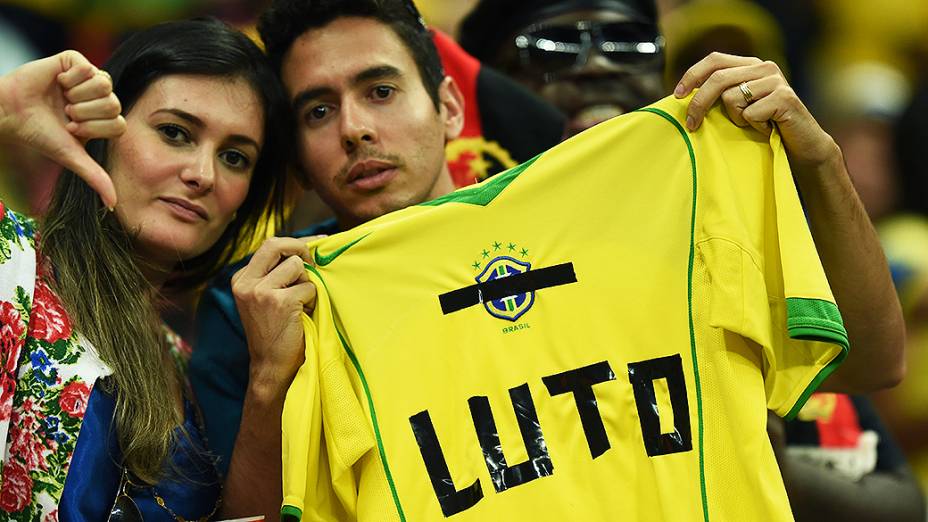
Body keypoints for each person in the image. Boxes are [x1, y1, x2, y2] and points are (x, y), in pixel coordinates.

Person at [191, 0, 905, 516]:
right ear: (298, 160)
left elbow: (873, 366)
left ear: (447, 106)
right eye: (317, 112)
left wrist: (821, 162)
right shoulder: (282, 308)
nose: (355, 129)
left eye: (380, 91)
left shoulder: (642, 217)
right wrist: (269, 381)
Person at [0, 17, 291, 519]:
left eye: (235, 157)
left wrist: (269, 381)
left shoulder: (190, 365)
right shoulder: (11, 260)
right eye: (175, 132)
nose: (202, 174)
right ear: (101, 134)